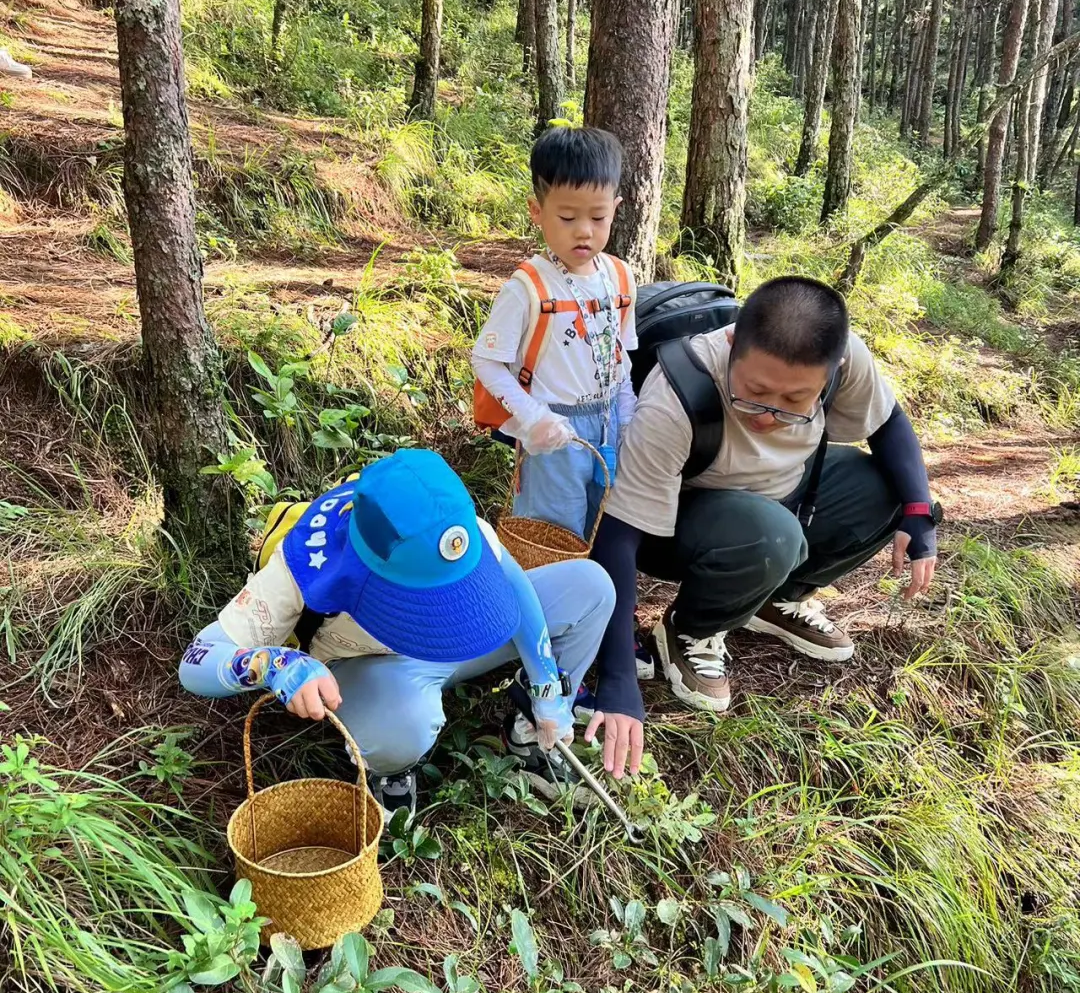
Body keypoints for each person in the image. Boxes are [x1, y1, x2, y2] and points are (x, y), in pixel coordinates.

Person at [589, 276, 938, 776]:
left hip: (786, 494)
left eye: (795, 401)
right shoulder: (677, 392)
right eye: (754, 393)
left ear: (832, 371)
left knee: (890, 493)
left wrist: (919, 513)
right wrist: (618, 675)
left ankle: (776, 599)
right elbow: (618, 535)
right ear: (732, 343)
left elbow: (888, 424)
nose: (768, 415)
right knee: (772, 536)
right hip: (684, 524)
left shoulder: (844, 359)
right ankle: (690, 629)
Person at [178, 449, 617, 816]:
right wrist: (276, 664)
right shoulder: (306, 569)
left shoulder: (441, 517)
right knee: (401, 727)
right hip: (378, 671)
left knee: (591, 588)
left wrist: (544, 682)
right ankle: (389, 767)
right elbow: (197, 660)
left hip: (457, 639)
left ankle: (531, 733)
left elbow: (515, 582)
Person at [472, 125, 637, 542]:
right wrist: (531, 416)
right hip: (553, 434)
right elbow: (486, 360)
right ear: (537, 210)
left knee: (602, 529)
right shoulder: (527, 288)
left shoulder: (619, 277)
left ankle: (594, 605)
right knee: (550, 536)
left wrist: (628, 413)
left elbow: (621, 356)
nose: (584, 230)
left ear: (615, 208)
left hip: (610, 424)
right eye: (567, 217)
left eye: (598, 216)